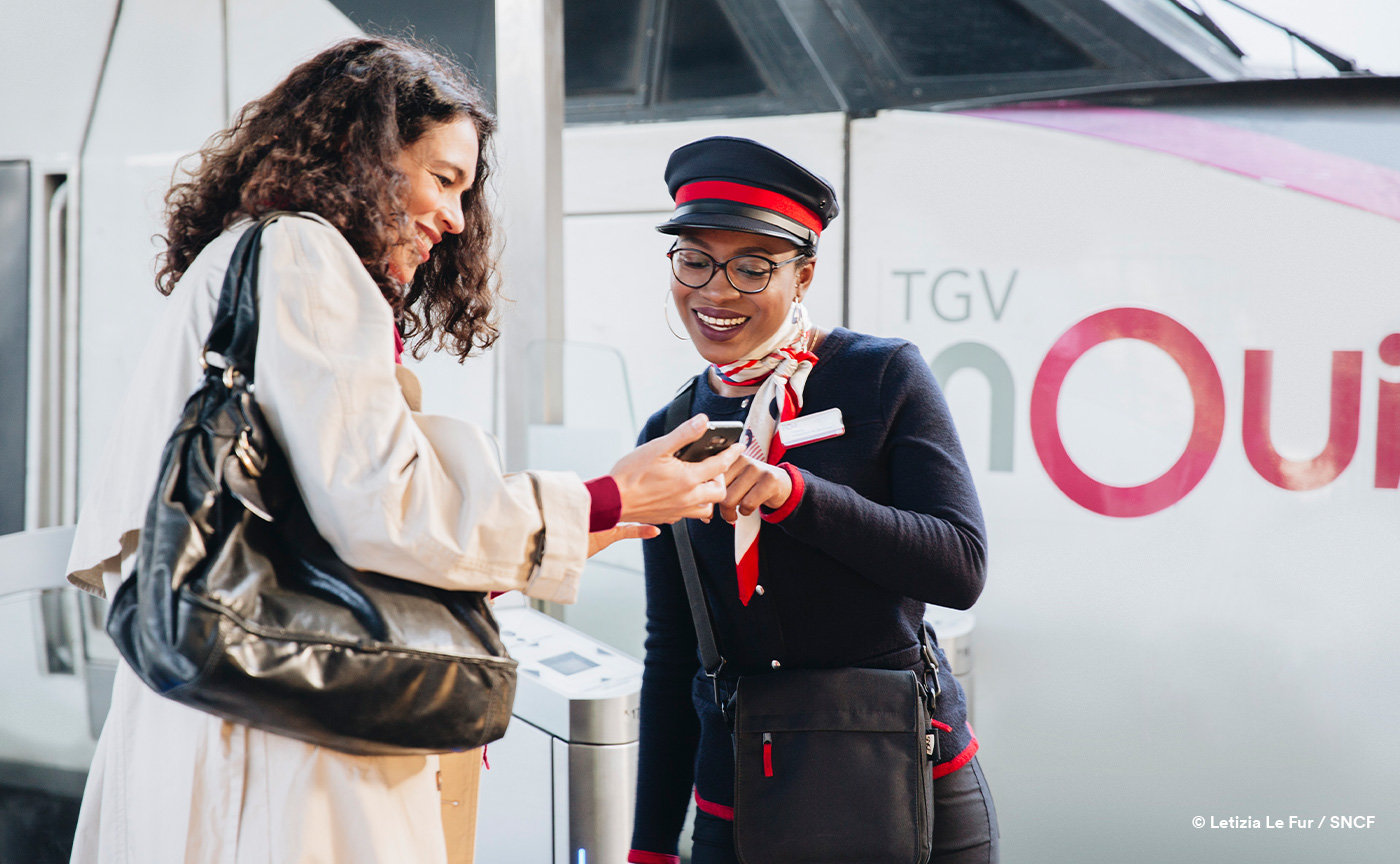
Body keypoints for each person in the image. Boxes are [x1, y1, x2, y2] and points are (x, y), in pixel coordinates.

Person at [63, 38, 740, 864]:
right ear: (363, 156)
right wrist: (605, 499)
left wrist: (571, 531)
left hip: (216, 715)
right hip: (277, 749)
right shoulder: (305, 253)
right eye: (444, 179)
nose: (456, 219)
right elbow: (382, 508)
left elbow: (316, 515)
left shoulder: (241, 257)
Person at [627, 137, 1000, 864]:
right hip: (735, 793)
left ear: (804, 275)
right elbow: (673, 656)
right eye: (695, 259)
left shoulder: (879, 376)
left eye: (752, 267)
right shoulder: (669, 432)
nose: (716, 290)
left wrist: (796, 494)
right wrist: (649, 847)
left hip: (901, 772)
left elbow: (960, 568)